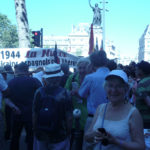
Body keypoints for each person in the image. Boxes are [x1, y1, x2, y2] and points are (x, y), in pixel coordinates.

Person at [84, 69, 145, 150]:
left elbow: (140, 146)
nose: (113, 90)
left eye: (119, 86)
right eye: (110, 85)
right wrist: (94, 135)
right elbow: (87, 136)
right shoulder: (101, 108)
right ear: (105, 88)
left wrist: (116, 141)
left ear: (126, 89)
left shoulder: (133, 113)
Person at [33, 63, 73, 150]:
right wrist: (68, 132)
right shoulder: (65, 93)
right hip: (59, 134)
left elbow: (35, 113)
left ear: (46, 78)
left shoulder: (39, 92)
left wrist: (35, 129)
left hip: (41, 133)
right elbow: (69, 117)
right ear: (59, 77)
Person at [78, 50, 109, 150]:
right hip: (112, 118)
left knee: (89, 146)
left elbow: (81, 94)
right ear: (105, 61)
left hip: (93, 118)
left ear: (92, 63)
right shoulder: (113, 75)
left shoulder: (90, 77)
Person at [8, 62, 42, 150]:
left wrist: (13, 107)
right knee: (31, 138)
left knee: (15, 137)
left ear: (18, 70)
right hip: (30, 114)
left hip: (16, 114)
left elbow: (6, 98)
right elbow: (41, 96)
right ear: (27, 70)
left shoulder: (11, 82)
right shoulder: (34, 81)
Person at [65, 57, 90, 149]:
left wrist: (80, 94)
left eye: (84, 68)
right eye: (80, 68)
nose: (82, 70)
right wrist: (70, 93)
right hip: (74, 111)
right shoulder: (72, 77)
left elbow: (94, 97)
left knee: (85, 140)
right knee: (72, 139)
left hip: (88, 114)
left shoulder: (91, 78)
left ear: (89, 68)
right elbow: (66, 91)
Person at [134, 61, 150, 129]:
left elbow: (149, 103)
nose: (135, 71)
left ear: (141, 71)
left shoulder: (142, 83)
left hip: (145, 119)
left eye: (136, 69)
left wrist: (139, 93)